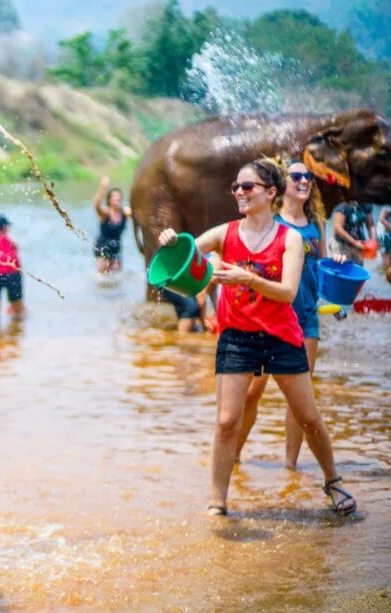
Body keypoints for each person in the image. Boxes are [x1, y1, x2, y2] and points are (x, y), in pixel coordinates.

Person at [157, 158, 356, 517]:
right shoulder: (226, 233)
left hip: (281, 337)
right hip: (237, 338)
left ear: (270, 192)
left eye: (247, 187)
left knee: (308, 417)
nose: (239, 193)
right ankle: (218, 500)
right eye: (236, 187)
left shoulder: (290, 239)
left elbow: (288, 293)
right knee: (226, 420)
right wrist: (170, 240)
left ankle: (333, 481)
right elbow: (184, 257)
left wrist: (248, 279)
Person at [236, 159, 345, 469]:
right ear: (282, 186)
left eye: (308, 177)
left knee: (300, 400)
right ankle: (234, 456)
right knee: (252, 394)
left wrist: (335, 261)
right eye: (296, 176)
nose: (304, 181)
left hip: (307, 319)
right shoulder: (271, 224)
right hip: (270, 318)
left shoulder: (317, 225)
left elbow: (321, 271)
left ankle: (290, 467)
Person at [93, 176, 132, 273]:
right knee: (103, 278)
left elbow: (137, 211)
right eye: (114, 196)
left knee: (117, 278)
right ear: (109, 200)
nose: (117, 198)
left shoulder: (124, 213)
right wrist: (103, 187)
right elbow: (97, 205)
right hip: (102, 249)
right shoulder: (105, 214)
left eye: (119, 196)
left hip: (116, 250)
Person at [330, 200, 375, 264]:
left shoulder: (366, 203)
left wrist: (372, 241)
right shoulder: (343, 204)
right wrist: (355, 243)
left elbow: (371, 226)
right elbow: (338, 228)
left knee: (358, 270)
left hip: (358, 244)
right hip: (341, 244)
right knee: (342, 268)